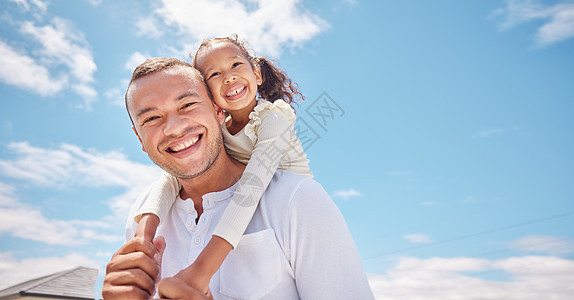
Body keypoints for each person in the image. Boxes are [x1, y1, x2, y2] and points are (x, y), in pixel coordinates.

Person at [102, 57, 374, 299]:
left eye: (187, 104)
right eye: (151, 119)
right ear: (139, 137)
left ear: (219, 111)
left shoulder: (297, 199)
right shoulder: (141, 214)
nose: (174, 128)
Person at [134, 35, 314, 295]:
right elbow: (173, 177)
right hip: (249, 194)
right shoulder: (218, 128)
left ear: (257, 74)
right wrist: (143, 238)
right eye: (215, 73)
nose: (228, 77)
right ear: (208, 96)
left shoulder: (273, 117)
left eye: (236, 66)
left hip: (289, 206)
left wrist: (200, 272)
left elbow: (253, 185)